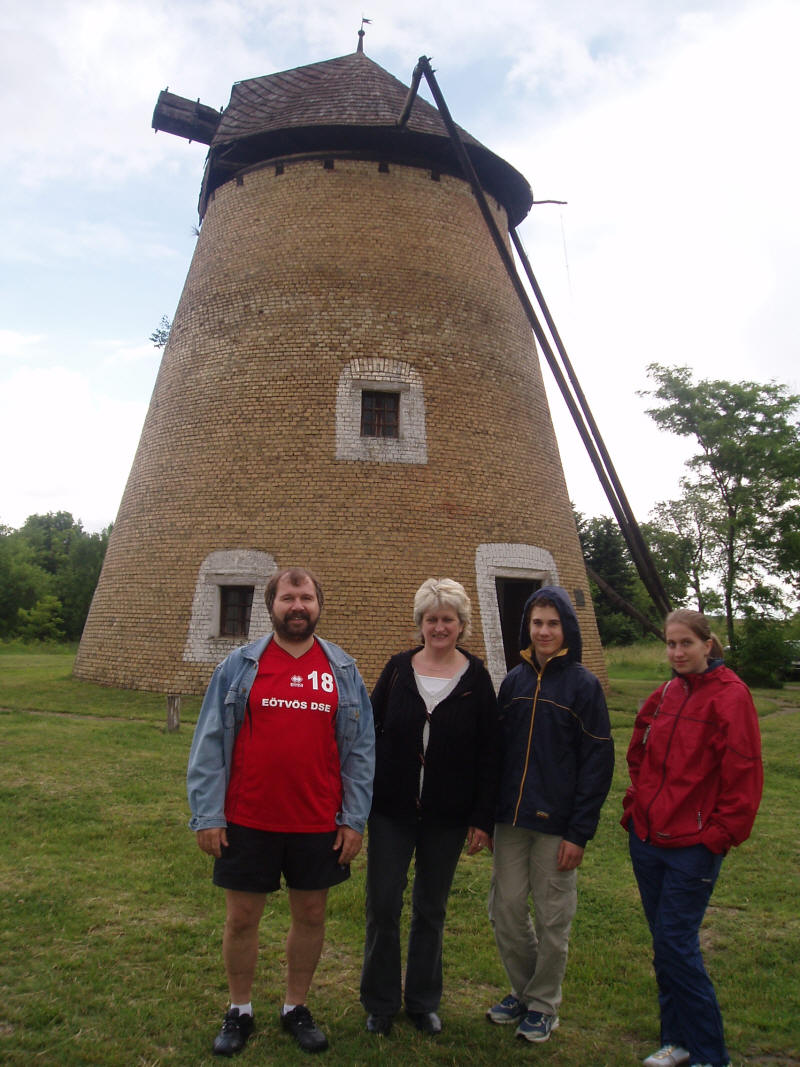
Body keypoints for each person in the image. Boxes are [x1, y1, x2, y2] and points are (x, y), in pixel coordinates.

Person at [187, 566, 375, 1057]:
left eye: (306, 598)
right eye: (288, 598)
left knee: (311, 914)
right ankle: (239, 1009)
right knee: (241, 917)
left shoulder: (342, 670)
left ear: (318, 605)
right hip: (248, 816)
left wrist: (353, 819)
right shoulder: (239, 666)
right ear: (270, 605)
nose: (298, 606)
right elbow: (209, 742)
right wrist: (209, 814)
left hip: (318, 819)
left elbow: (360, 751)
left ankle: (296, 1006)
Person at [622, 609, 763, 1067]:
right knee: (665, 945)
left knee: (675, 945)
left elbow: (743, 771)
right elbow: (639, 751)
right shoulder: (667, 693)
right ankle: (677, 1040)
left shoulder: (730, 696)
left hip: (693, 846)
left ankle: (709, 1054)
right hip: (649, 839)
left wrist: (718, 835)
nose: (678, 652)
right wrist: (637, 804)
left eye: (686, 643)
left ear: (707, 644)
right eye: (671, 644)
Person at [360, 578, 499, 1037]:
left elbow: (489, 753)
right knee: (383, 903)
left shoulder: (476, 678)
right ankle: (380, 1002)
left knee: (430, 907)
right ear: (420, 623)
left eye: (448, 620)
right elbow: (370, 731)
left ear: (462, 624)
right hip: (391, 809)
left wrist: (481, 818)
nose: (440, 627)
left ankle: (422, 1001)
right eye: (432, 619)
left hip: (447, 814)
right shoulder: (398, 669)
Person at [486, 585, 614, 1044]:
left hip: (556, 823)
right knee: (505, 909)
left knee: (552, 916)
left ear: (566, 629)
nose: (543, 632)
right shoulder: (514, 682)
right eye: (537, 623)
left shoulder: (583, 686)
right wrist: (487, 815)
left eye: (552, 624)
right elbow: (496, 753)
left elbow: (597, 762)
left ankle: (544, 1004)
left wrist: (579, 831)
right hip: (511, 818)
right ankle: (524, 992)